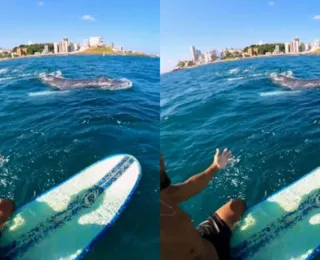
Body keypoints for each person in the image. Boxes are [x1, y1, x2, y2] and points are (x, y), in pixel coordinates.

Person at [160, 148, 246, 260]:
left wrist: (215, 166)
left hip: (207, 244)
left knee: (235, 206)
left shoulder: (161, 192)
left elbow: (189, 186)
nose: (161, 155)